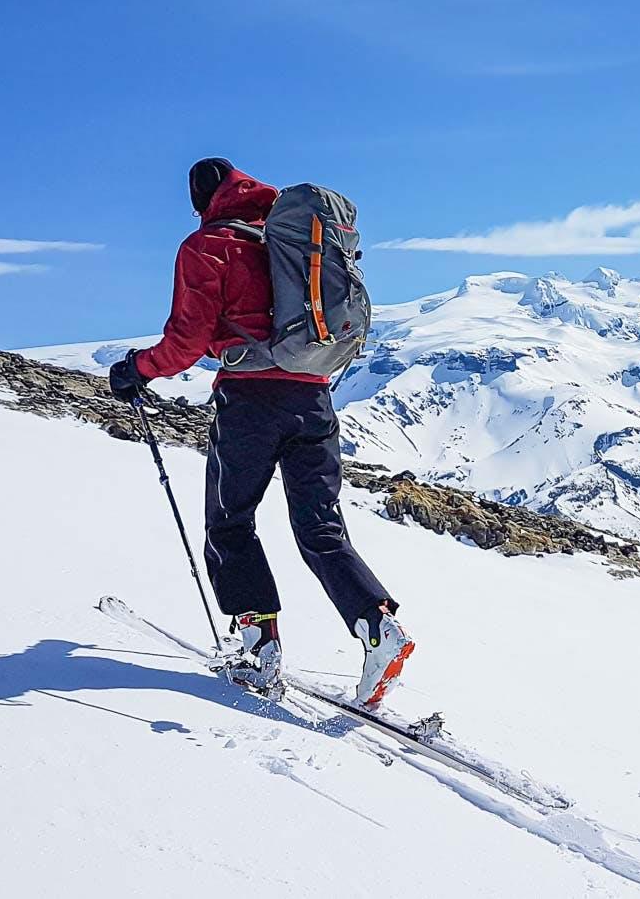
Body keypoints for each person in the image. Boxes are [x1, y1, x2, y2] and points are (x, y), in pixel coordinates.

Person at [107, 157, 412, 708]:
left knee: (229, 523)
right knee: (321, 528)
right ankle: (377, 626)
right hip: (314, 397)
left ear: (203, 199)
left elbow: (186, 340)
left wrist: (137, 371)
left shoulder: (210, 246)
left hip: (249, 402)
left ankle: (260, 647)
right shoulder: (289, 239)